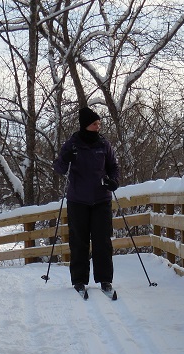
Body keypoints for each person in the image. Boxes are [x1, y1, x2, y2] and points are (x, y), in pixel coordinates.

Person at [52, 106, 120, 295]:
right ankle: (79, 280)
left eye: (99, 123)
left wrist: (113, 181)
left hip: (101, 199)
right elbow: (59, 168)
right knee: (79, 242)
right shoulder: (73, 144)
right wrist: (66, 158)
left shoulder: (104, 145)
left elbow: (114, 167)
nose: (98, 127)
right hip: (78, 200)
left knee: (103, 242)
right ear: (85, 125)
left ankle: (105, 279)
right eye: (94, 124)